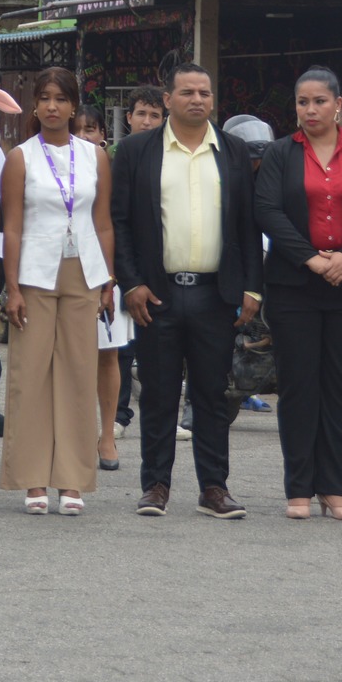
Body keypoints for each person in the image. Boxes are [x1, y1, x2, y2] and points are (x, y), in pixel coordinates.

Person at [111, 63, 259, 519]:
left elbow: (248, 224)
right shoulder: (137, 151)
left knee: (212, 394)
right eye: (187, 92)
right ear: (168, 100)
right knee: (158, 392)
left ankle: (214, 488)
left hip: (216, 294)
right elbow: (120, 222)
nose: (197, 99)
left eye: (204, 93)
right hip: (157, 293)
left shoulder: (232, 151)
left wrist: (253, 288)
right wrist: (131, 283)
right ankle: (156, 485)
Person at [255, 68, 342, 521]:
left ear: (337, 104)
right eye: (302, 102)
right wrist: (310, 259)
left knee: (339, 388)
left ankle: (333, 487)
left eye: (319, 101)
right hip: (294, 286)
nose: (310, 110)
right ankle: (298, 488)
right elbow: (268, 211)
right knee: (298, 387)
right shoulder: (280, 153)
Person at [0, 68, 116, 515]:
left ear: (73, 107)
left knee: (78, 374)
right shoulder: (20, 158)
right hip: (34, 274)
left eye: (61, 99)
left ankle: (72, 480)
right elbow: (12, 227)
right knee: (30, 376)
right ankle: (33, 479)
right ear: (35, 105)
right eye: (45, 98)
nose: (52, 106)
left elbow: (102, 223)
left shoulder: (94, 157)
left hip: (83, 271)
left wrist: (108, 280)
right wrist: (12, 286)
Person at [111, 86, 168, 440]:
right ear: (128, 117)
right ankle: (118, 414)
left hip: (161, 267)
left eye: (155, 115)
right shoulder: (115, 156)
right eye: (141, 114)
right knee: (121, 346)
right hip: (123, 264)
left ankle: (164, 415)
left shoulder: (172, 158)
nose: (147, 121)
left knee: (160, 350)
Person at [75, 107, 128, 470]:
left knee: (107, 353)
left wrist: (113, 275)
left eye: (90, 129)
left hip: (106, 270)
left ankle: (106, 436)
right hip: (61, 270)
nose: (83, 135)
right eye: (77, 129)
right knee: (68, 357)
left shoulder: (111, 168)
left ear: (102, 136)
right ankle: (73, 436)